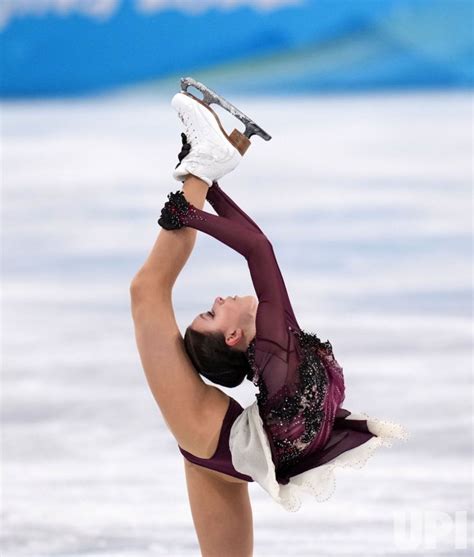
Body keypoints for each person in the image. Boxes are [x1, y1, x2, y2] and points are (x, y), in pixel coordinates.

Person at [131, 91, 409, 553]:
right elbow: (258, 247)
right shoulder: (280, 340)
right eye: (211, 312)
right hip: (221, 446)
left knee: (148, 292)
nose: (217, 297)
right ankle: (203, 162)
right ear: (234, 335)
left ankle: (204, 165)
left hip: (222, 443)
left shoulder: (279, 343)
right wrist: (195, 207)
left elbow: (258, 244)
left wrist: (206, 196)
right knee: (147, 292)